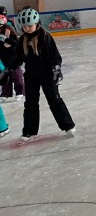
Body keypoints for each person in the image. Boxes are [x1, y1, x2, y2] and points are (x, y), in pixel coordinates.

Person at [2, 8, 75, 142]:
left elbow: (56, 57)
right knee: (30, 103)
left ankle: (68, 126)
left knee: (54, 100)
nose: (27, 28)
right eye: (24, 26)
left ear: (37, 23)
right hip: (31, 75)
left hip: (47, 74)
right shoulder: (22, 39)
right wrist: (8, 70)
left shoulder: (46, 37)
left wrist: (57, 70)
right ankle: (29, 131)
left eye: (29, 25)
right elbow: (18, 58)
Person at [0, 7, 24, 102]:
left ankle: (20, 92)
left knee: (16, 74)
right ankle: (5, 93)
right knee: (5, 74)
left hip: (13, 57)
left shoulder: (9, 28)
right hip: (3, 57)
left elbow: (16, 43)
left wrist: (6, 40)